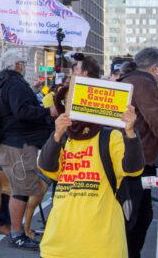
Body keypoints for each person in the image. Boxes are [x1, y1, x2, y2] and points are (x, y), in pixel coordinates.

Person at [38, 105, 144, 258]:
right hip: (57, 244)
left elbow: (133, 169)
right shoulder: (64, 137)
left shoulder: (110, 136)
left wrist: (130, 132)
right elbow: (47, 168)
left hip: (102, 246)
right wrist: (56, 135)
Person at [0, 49, 54, 250]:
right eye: (23, 63)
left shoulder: (1, 83)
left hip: (12, 142)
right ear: (17, 65)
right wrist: (47, 111)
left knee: (18, 190)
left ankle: (15, 231)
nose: (24, 66)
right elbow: (21, 112)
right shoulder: (14, 83)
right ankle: (17, 234)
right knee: (20, 191)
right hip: (19, 143)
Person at [119, 48, 158, 257]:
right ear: (156, 67)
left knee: (141, 215)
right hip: (135, 159)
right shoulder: (143, 83)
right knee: (135, 217)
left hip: (135, 156)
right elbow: (157, 118)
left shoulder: (130, 79)